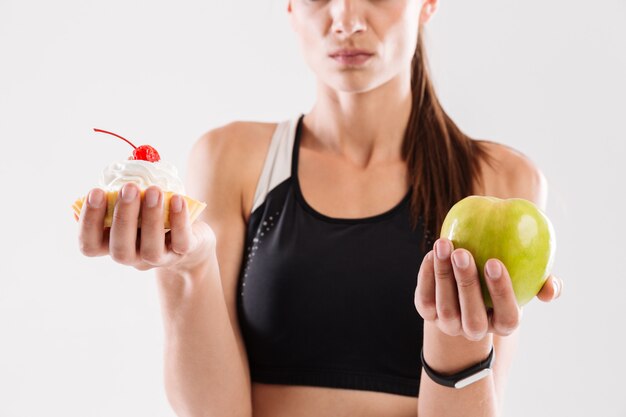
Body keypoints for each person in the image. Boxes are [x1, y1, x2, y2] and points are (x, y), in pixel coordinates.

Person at [78, 0, 563, 416]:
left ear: (429, 3)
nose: (346, 18)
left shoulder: (500, 180)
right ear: (289, 6)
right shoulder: (231, 159)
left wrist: (455, 335)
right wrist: (186, 268)